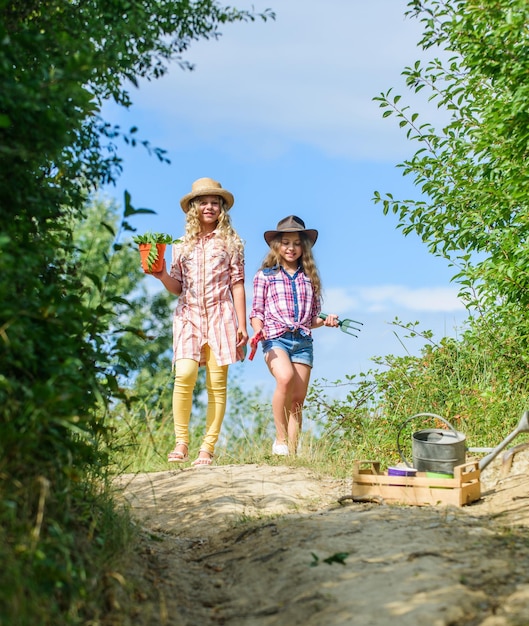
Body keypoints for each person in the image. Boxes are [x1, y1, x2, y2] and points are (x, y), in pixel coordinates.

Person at [152, 177, 248, 466]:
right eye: (203, 202)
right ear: (194, 207)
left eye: (214, 202)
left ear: (221, 208)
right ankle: (181, 442)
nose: (209, 207)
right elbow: (177, 285)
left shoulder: (232, 242)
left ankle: (207, 447)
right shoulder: (180, 245)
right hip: (188, 316)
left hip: (221, 315)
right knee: (184, 375)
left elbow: (238, 284)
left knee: (217, 383)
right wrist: (160, 276)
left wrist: (242, 325)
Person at [249, 215, 339, 456]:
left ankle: (292, 452)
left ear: (304, 248)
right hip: (275, 338)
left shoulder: (309, 279)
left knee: (297, 400)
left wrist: (327, 321)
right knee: (285, 378)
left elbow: (312, 318)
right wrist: (258, 329)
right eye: (286, 242)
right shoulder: (265, 276)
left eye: (296, 243)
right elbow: (256, 312)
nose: (291, 248)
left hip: (302, 342)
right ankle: (280, 440)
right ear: (277, 245)